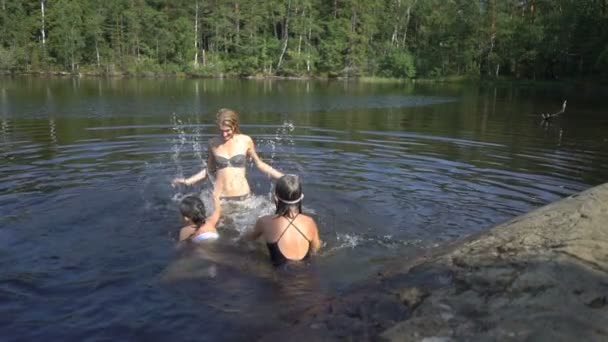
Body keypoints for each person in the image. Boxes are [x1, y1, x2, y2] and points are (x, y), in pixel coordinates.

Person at [172, 108, 284, 200]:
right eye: (221, 131)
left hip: (243, 196)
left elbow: (260, 164)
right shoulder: (213, 143)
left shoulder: (245, 140)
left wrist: (283, 177)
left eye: (227, 130)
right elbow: (209, 170)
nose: (224, 134)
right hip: (220, 198)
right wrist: (188, 181)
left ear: (234, 126)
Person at [245, 174, 321, 267]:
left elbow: (248, 238)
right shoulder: (310, 222)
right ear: (301, 197)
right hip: (307, 276)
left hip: (277, 278)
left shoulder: (264, 221)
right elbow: (315, 249)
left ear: (275, 198)